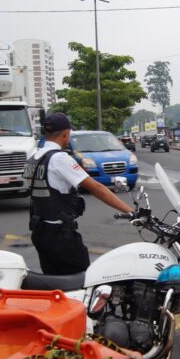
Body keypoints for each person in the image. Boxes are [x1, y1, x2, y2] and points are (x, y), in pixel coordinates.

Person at [23, 113, 135, 275]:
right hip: (61, 237)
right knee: (80, 282)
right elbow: (96, 188)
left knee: (55, 284)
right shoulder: (59, 159)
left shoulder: (33, 156)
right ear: (65, 134)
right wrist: (130, 211)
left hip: (40, 232)